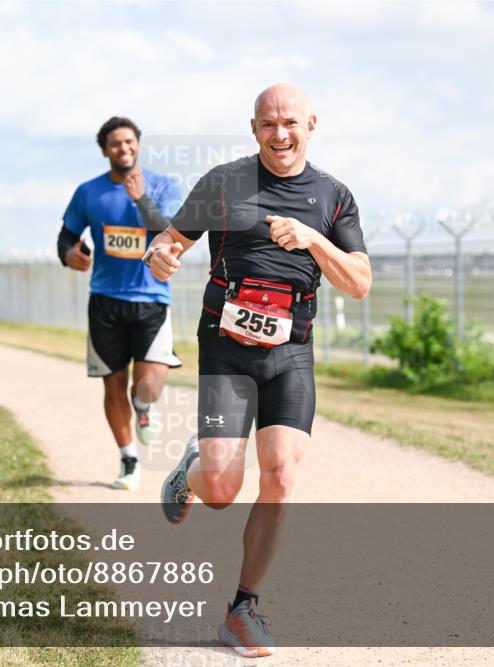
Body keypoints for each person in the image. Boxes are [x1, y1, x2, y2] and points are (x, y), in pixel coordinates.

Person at [143, 84, 371, 658]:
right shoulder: (224, 183)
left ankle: (243, 609)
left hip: (290, 352)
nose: (280, 134)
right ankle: (192, 472)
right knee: (222, 490)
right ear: (254, 129)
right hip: (225, 349)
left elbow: (359, 282)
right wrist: (161, 255)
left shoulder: (333, 196)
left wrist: (314, 238)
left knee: (283, 475)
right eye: (268, 124)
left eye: (290, 122)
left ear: (311, 124)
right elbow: (168, 244)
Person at [56, 116, 183, 491]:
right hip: (105, 302)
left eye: (129, 142)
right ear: (104, 150)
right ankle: (128, 460)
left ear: (138, 144)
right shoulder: (88, 192)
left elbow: (169, 230)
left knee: (150, 385)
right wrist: (69, 255)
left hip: (152, 298)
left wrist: (140, 198)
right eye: (115, 144)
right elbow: (66, 236)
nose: (123, 149)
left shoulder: (163, 185)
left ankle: (144, 409)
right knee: (113, 386)